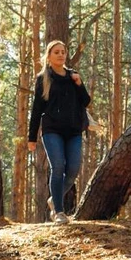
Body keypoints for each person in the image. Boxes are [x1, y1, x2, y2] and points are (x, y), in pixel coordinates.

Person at [28, 40, 91, 224]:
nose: (61, 55)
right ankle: (59, 211)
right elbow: (36, 109)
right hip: (52, 130)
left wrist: (79, 84)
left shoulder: (73, 77)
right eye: (56, 52)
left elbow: (86, 101)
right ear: (49, 56)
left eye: (63, 52)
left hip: (73, 130)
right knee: (58, 166)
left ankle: (53, 198)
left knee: (72, 169)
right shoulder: (43, 78)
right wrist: (32, 137)